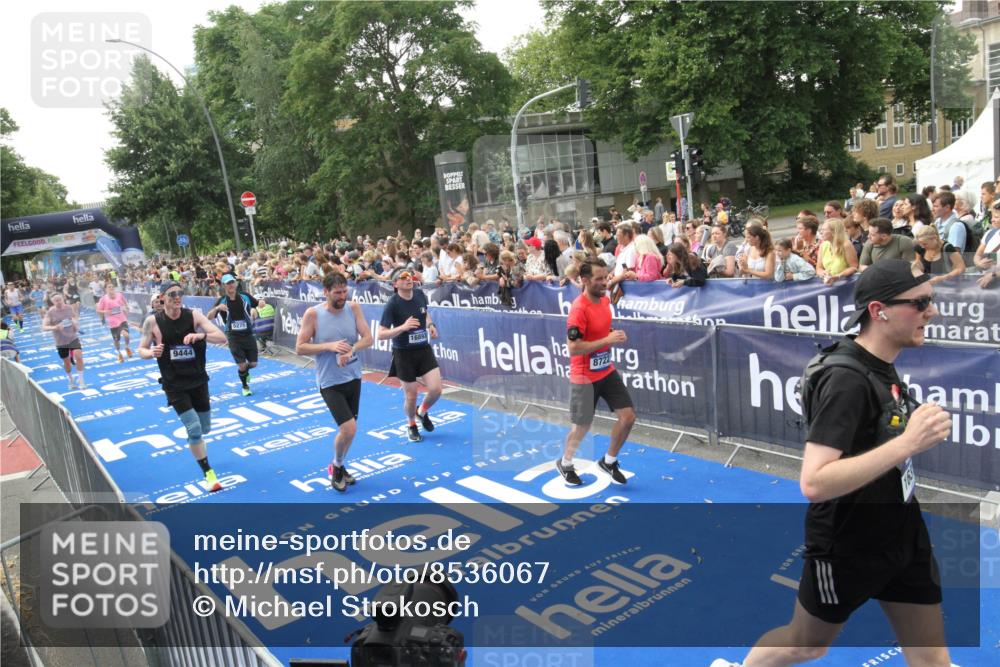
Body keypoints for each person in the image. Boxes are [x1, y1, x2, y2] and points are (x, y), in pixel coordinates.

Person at [712, 260, 954, 667]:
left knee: (931, 658)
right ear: (879, 311)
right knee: (806, 645)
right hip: (847, 542)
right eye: (921, 303)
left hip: (902, 531)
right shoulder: (846, 378)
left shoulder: (880, 363)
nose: (932, 311)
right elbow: (815, 482)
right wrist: (907, 442)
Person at [138, 281, 228, 491]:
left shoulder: (193, 315)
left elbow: (221, 336)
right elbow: (141, 349)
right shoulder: (153, 322)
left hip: (198, 380)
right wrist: (151, 353)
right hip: (174, 384)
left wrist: (200, 335)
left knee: (205, 427)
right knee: (195, 429)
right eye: (172, 294)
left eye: (180, 293)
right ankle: (209, 473)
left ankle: (195, 441)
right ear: (162, 298)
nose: (177, 297)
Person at [557, 258, 635, 486]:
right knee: (582, 427)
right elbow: (573, 347)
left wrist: (612, 334)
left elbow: (598, 331)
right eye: (599, 279)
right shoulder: (578, 309)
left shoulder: (604, 300)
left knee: (628, 417)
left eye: (606, 277)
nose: (605, 282)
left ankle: (609, 461)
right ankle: (566, 462)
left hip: (606, 371)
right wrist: (607, 339)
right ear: (585, 281)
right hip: (584, 376)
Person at [295, 273, 373, 492]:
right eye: (337, 292)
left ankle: (339, 465)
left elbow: (368, 338)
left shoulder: (353, 307)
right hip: (329, 381)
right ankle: (337, 467)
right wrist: (328, 346)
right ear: (326, 292)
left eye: (344, 291)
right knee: (348, 429)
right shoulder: (313, 314)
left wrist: (351, 349)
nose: (342, 296)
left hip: (353, 376)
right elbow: (300, 347)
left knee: (352, 431)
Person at [377, 268, 442, 442]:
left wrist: (430, 325)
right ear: (395, 284)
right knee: (411, 395)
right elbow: (381, 334)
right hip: (403, 353)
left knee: (436, 389)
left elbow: (424, 312)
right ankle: (411, 424)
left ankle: (422, 412)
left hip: (423, 349)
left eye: (410, 276)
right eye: (403, 277)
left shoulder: (420, 294)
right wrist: (403, 327)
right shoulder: (392, 304)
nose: (409, 279)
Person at [206, 275, 266, 396]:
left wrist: (262, 302)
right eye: (227, 283)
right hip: (233, 336)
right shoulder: (222, 300)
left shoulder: (245, 296)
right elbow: (209, 317)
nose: (230, 285)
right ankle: (245, 386)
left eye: (232, 282)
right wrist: (217, 308)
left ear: (236, 283)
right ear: (224, 286)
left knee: (253, 364)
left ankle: (245, 373)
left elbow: (258, 303)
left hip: (248, 334)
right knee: (242, 365)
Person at [42, 292, 85, 389]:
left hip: (72, 338)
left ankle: (81, 380)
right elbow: (44, 327)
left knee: (79, 357)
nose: (58, 302)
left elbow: (74, 317)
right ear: (53, 302)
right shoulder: (50, 312)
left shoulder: (69, 308)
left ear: (63, 299)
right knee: (67, 362)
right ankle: (70, 379)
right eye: (56, 301)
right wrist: (55, 327)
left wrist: (74, 322)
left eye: (60, 300)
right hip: (60, 341)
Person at [95, 282, 133, 363]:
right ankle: (119, 353)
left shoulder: (119, 295)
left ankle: (127, 347)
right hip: (113, 322)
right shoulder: (103, 299)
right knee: (116, 340)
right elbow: (98, 310)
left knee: (126, 335)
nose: (111, 288)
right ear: (106, 289)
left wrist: (127, 308)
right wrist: (105, 311)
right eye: (109, 287)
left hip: (122, 319)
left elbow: (125, 303)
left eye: (112, 286)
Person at [815, 219, 859, 285]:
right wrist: (823, 273)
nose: (821, 232)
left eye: (824, 230)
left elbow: (854, 267)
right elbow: (818, 268)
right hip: (828, 284)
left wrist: (838, 276)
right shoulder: (823, 245)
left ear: (833, 232)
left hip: (845, 284)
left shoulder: (846, 245)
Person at [973, 201, 1000, 290]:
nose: (992, 220)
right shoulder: (990, 234)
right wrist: (979, 263)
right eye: (992, 217)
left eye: (996, 217)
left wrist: (994, 275)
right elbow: (977, 255)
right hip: (985, 285)